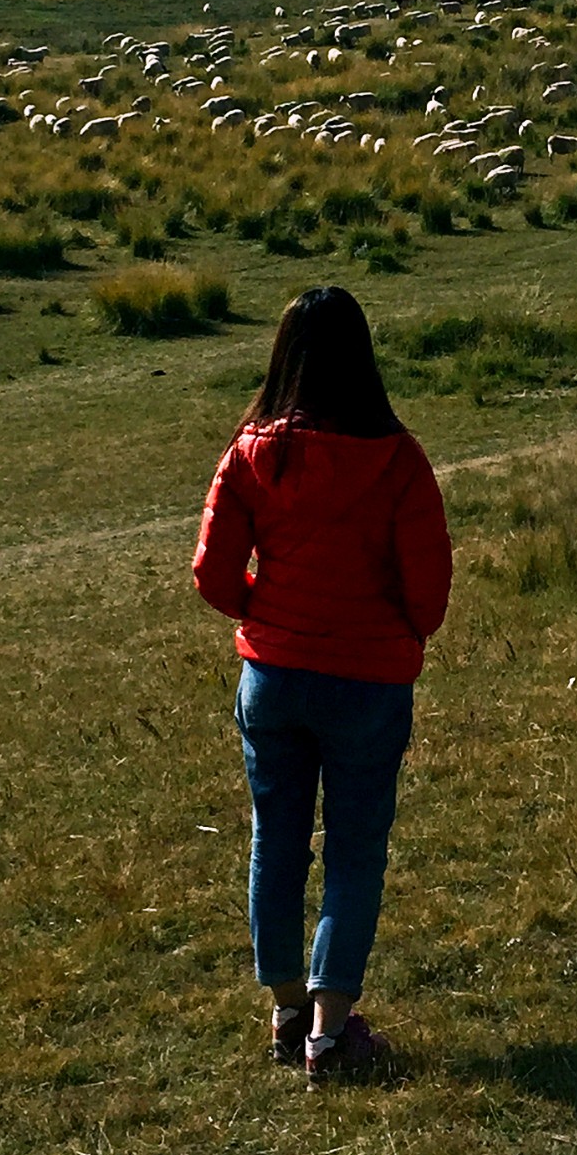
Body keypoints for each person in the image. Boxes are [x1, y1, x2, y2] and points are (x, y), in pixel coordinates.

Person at [193, 286, 452, 1080]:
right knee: (355, 849)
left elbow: (210, 571)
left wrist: (264, 610)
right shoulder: (398, 457)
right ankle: (331, 1033)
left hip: (272, 677)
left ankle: (284, 1012)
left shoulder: (253, 450)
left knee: (276, 841)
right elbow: (429, 590)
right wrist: (398, 633)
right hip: (367, 682)